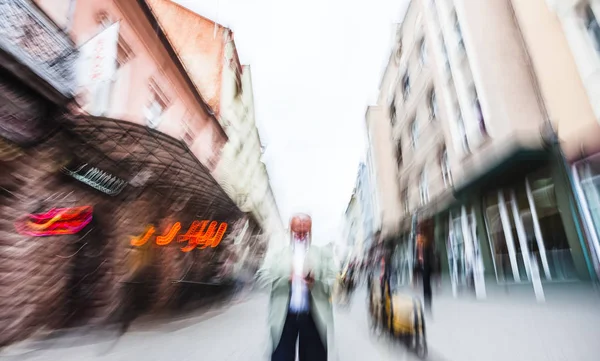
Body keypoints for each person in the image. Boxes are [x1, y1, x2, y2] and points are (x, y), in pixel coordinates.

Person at [257, 213, 337, 361]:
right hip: (284, 317)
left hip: (313, 317)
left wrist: (316, 282)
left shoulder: (322, 252)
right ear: (290, 231)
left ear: (310, 231)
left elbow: (334, 279)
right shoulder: (277, 253)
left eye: (305, 231)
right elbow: (261, 277)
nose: (301, 234)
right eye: (297, 231)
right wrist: (286, 279)